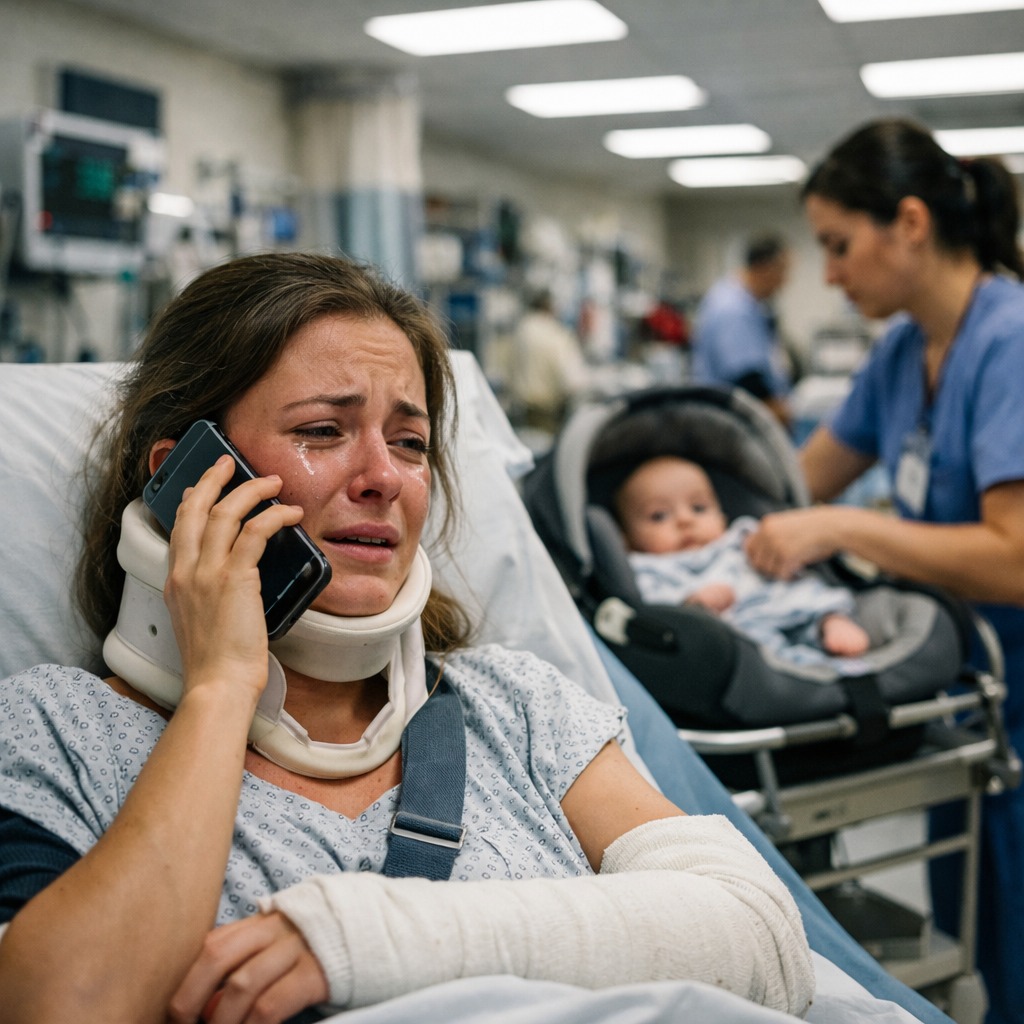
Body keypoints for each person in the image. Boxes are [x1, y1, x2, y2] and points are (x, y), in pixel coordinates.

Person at [0, 252, 815, 1024]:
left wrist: (365, 941)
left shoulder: (515, 708)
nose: (383, 477)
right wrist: (220, 687)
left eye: (410, 442)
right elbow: (64, 1007)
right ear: (189, 482)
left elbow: (759, 935)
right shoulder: (59, 735)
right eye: (322, 430)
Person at [743, 117, 1024, 1024]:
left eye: (838, 245)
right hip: (964, 684)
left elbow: (1016, 554)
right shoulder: (905, 351)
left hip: (1015, 672)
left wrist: (839, 527)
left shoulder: (1009, 339)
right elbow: (796, 479)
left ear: (909, 222)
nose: (827, 273)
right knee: (975, 917)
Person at [615, 455, 870, 667]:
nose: (685, 520)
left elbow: (785, 566)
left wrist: (765, 550)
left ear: (722, 516)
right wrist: (691, 603)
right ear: (627, 539)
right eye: (659, 516)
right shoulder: (646, 568)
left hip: (775, 608)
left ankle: (829, 621)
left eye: (699, 508)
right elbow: (651, 609)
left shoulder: (740, 539)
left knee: (798, 587)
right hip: (728, 644)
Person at [690, 234, 793, 427]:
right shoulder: (733, 309)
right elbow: (746, 377)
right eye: (783, 272)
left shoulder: (748, 304)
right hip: (731, 424)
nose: (784, 283)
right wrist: (779, 411)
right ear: (765, 268)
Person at [508, 289, 589, 433]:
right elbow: (573, 381)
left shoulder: (521, 329)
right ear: (551, 307)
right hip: (546, 409)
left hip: (520, 407)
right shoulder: (556, 334)